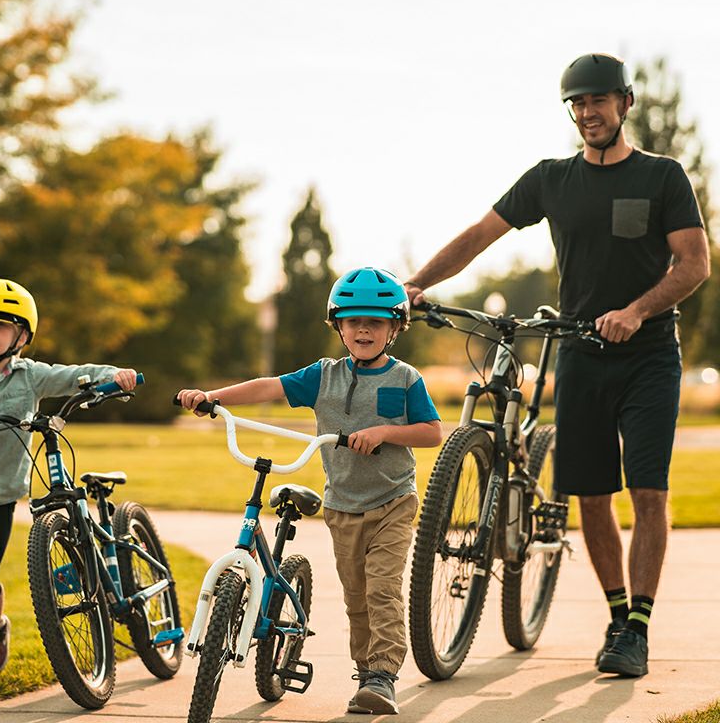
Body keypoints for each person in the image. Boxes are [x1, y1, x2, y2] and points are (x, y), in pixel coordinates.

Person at [405, 53, 710, 678]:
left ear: (624, 104)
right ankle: (617, 615)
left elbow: (694, 265)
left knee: (648, 489)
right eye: (576, 104)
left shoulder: (663, 177)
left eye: (598, 101)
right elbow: (479, 234)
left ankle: (640, 628)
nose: (587, 113)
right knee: (592, 496)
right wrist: (414, 284)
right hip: (580, 354)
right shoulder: (551, 178)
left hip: (649, 356)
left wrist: (635, 310)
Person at [177, 267, 442, 714]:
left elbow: (432, 433)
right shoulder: (324, 376)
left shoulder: (406, 379)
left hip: (392, 501)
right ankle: (366, 672)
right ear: (338, 326)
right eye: (354, 320)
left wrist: (382, 433)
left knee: (381, 589)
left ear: (395, 327)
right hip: (343, 505)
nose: (363, 330)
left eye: (375, 322)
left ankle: (382, 675)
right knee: (357, 597)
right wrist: (213, 397)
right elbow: (269, 386)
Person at [0, 278, 138, 678]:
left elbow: (77, 375)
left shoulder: (31, 376)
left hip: (0, 499)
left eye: (0, 324)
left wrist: (115, 373)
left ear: (20, 334)